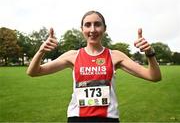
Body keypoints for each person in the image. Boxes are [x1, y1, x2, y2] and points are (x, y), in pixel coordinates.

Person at [27, 10, 161, 122]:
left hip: (108, 118)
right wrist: (41, 51)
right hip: (77, 118)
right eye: (88, 25)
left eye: (97, 24)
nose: (92, 29)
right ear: (82, 29)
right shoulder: (72, 56)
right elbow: (34, 72)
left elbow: (154, 76)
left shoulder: (115, 56)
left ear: (104, 28)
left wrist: (149, 53)